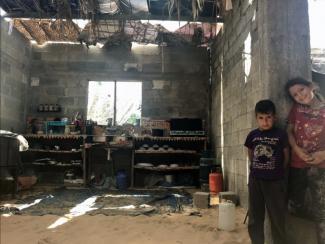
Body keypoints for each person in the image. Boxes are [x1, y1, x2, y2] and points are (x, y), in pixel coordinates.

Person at [286, 77, 325, 244]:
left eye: (301, 90)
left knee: (322, 210)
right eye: (295, 95)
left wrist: (324, 154)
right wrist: (296, 149)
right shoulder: (296, 109)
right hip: (298, 165)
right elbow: (289, 131)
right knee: (294, 206)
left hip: (321, 166)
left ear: (311, 86)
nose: (300, 96)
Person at [245, 99, 289, 244]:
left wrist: (279, 172)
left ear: (274, 117)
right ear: (256, 118)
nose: (265, 122)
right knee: (255, 216)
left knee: (277, 217)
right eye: (261, 118)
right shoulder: (252, 135)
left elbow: (286, 155)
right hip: (256, 180)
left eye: (268, 117)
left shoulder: (280, 134)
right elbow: (250, 152)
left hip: (275, 181)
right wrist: (254, 167)